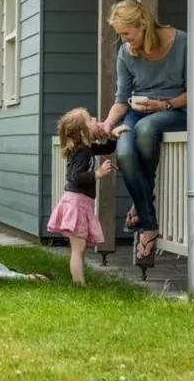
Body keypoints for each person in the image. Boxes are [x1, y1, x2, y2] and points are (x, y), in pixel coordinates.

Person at [97, 0, 188, 261]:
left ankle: (142, 210)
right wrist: (107, 124)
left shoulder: (182, 42)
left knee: (147, 129)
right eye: (120, 34)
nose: (124, 39)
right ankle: (149, 221)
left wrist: (165, 104)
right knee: (124, 151)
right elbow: (122, 98)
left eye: (127, 33)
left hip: (176, 110)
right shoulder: (126, 53)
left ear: (143, 24)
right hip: (137, 112)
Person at [48, 107, 123, 285]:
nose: (95, 119)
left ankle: (79, 281)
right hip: (76, 203)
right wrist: (97, 173)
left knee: (80, 248)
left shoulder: (87, 148)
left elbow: (107, 148)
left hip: (82, 203)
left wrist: (113, 136)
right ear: (82, 131)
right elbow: (75, 177)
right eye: (90, 119)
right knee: (78, 247)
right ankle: (79, 285)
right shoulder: (81, 152)